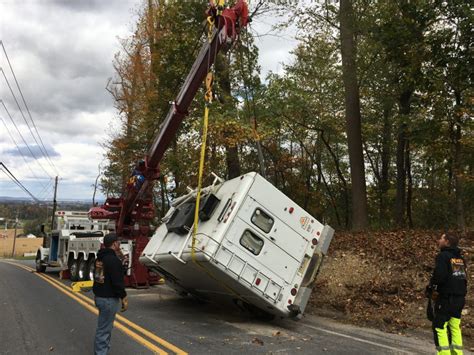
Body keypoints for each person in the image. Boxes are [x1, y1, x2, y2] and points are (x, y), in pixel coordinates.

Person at [426, 233, 467, 355]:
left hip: (446, 298)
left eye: (441, 238)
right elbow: (460, 279)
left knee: (439, 326)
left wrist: (431, 288)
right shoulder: (459, 258)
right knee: (454, 327)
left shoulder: (443, 256)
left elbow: (440, 276)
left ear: (447, 242)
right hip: (459, 299)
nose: (439, 240)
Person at [93, 233, 128, 355]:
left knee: (105, 328)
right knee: (104, 330)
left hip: (99, 297)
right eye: (118, 242)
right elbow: (117, 283)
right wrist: (123, 296)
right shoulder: (113, 260)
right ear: (114, 244)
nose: (119, 244)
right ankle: (101, 353)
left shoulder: (100, 258)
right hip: (108, 299)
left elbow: (98, 277)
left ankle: (103, 351)